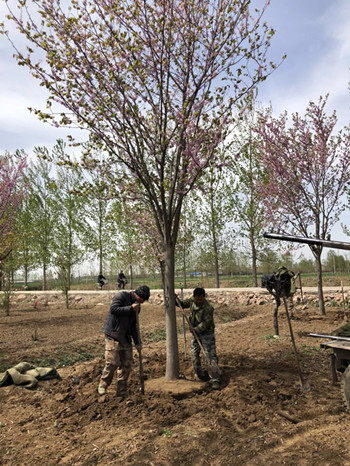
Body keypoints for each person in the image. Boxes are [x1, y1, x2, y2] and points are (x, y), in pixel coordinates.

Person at [98, 285, 151, 398]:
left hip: (125, 337)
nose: (143, 302)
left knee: (127, 363)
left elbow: (133, 326)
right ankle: (103, 384)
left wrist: (137, 342)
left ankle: (121, 390)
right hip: (113, 334)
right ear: (137, 295)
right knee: (112, 362)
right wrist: (130, 308)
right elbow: (114, 309)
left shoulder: (137, 307)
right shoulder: (122, 296)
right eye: (143, 299)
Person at [177, 287, 221, 390]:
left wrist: (196, 329)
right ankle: (199, 374)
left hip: (207, 334)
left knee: (210, 356)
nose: (198, 301)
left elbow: (206, 323)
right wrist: (176, 300)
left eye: (200, 299)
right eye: (197, 299)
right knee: (194, 354)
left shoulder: (208, 308)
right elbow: (183, 305)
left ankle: (215, 379)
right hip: (195, 334)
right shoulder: (192, 301)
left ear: (204, 297)